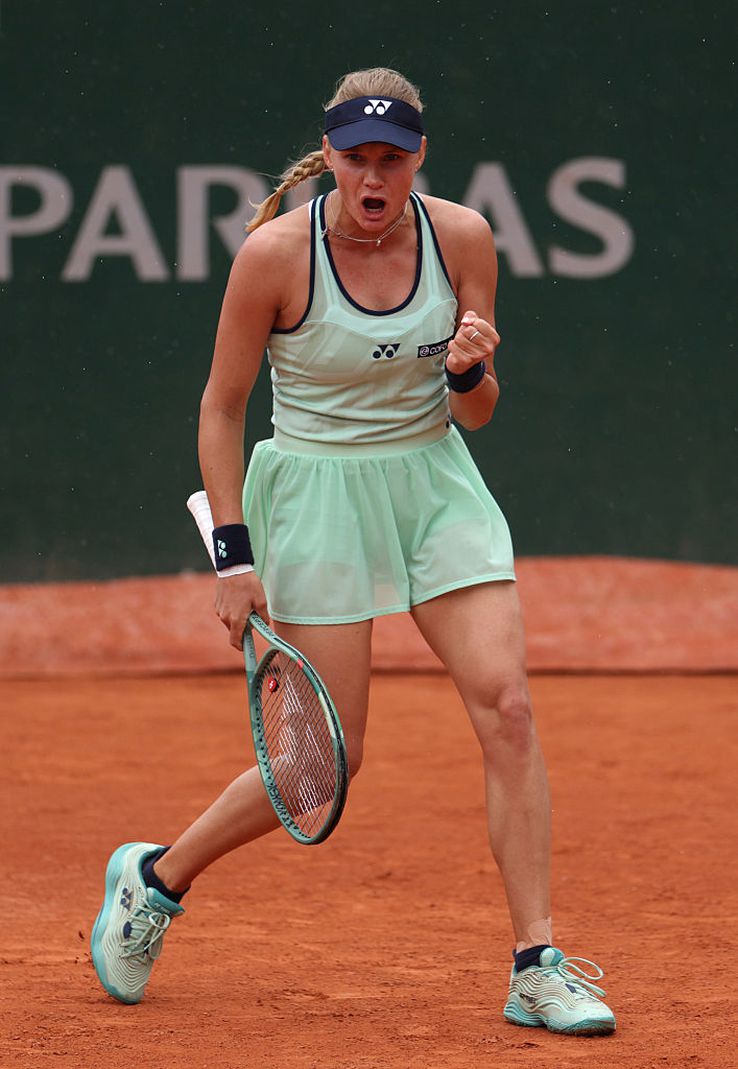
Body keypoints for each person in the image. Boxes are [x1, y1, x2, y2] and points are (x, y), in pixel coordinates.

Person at [91, 67, 615, 1036]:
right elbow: (221, 407)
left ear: (420, 157)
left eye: (394, 158)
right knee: (322, 767)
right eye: (358, 157)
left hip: (433, 485)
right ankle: (156, 878)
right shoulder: (274, 256)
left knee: (508, 706)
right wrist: (233, 559)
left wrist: (468, 370)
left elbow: (478, 412)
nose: (375, 176)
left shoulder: (463, 238)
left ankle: (536, 965)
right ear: (328, 155)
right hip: (316, 495)